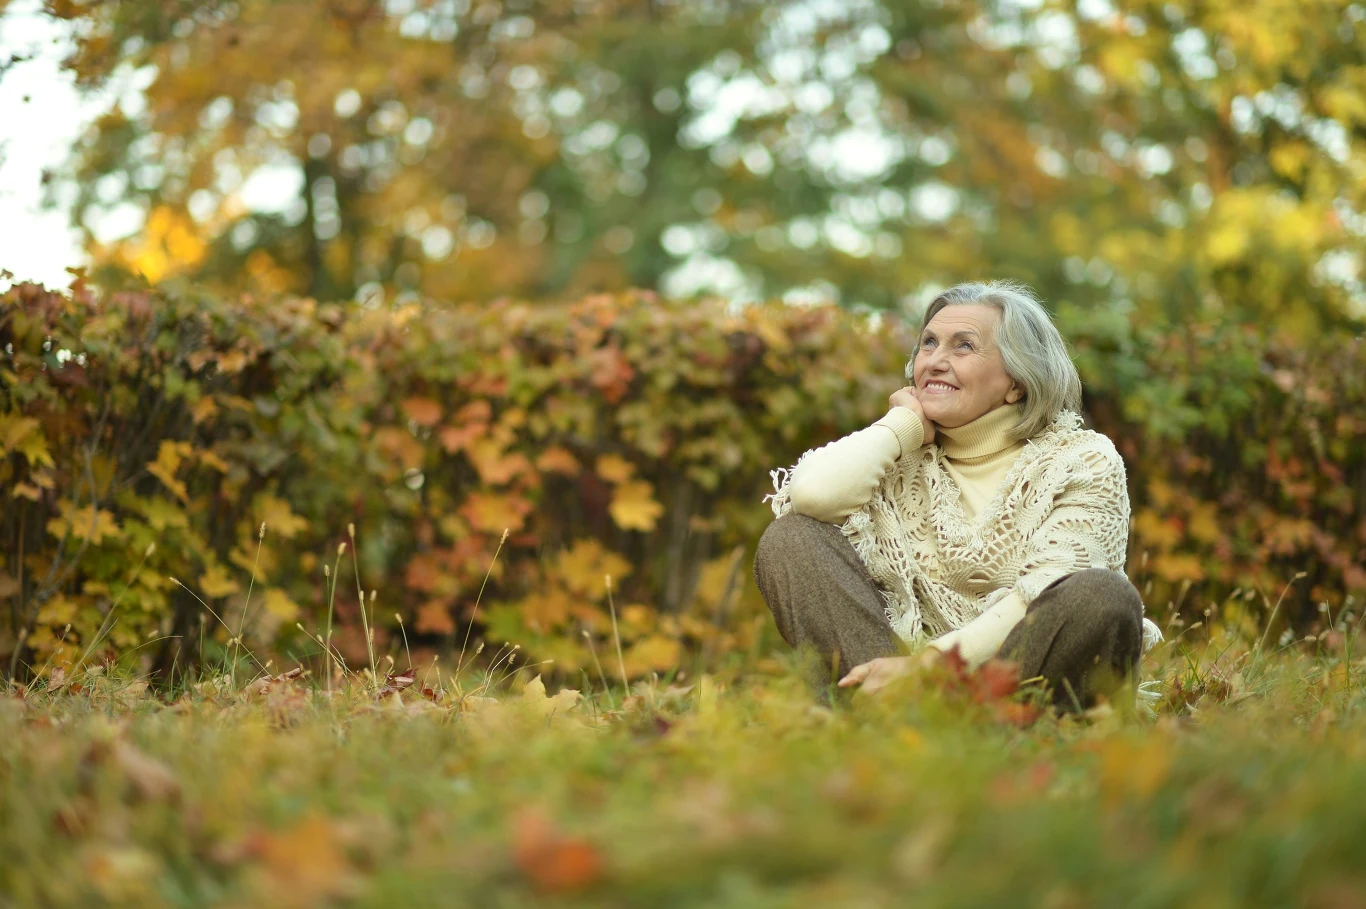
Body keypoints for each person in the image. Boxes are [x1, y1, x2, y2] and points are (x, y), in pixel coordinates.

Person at [753, 281, 1161, 709]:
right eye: (928, 343)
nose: (935, 361)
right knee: (791, 539)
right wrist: (899, 426)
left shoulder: (1082, 459)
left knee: (1100, 594)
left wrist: (929, 667)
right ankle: (890, 723)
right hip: (901, 690)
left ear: (1017, 383)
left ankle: (1002, 735)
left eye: (963, 346)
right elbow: (812, 496)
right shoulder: (895, 455)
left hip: (1021, 688)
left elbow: (1048, 585)